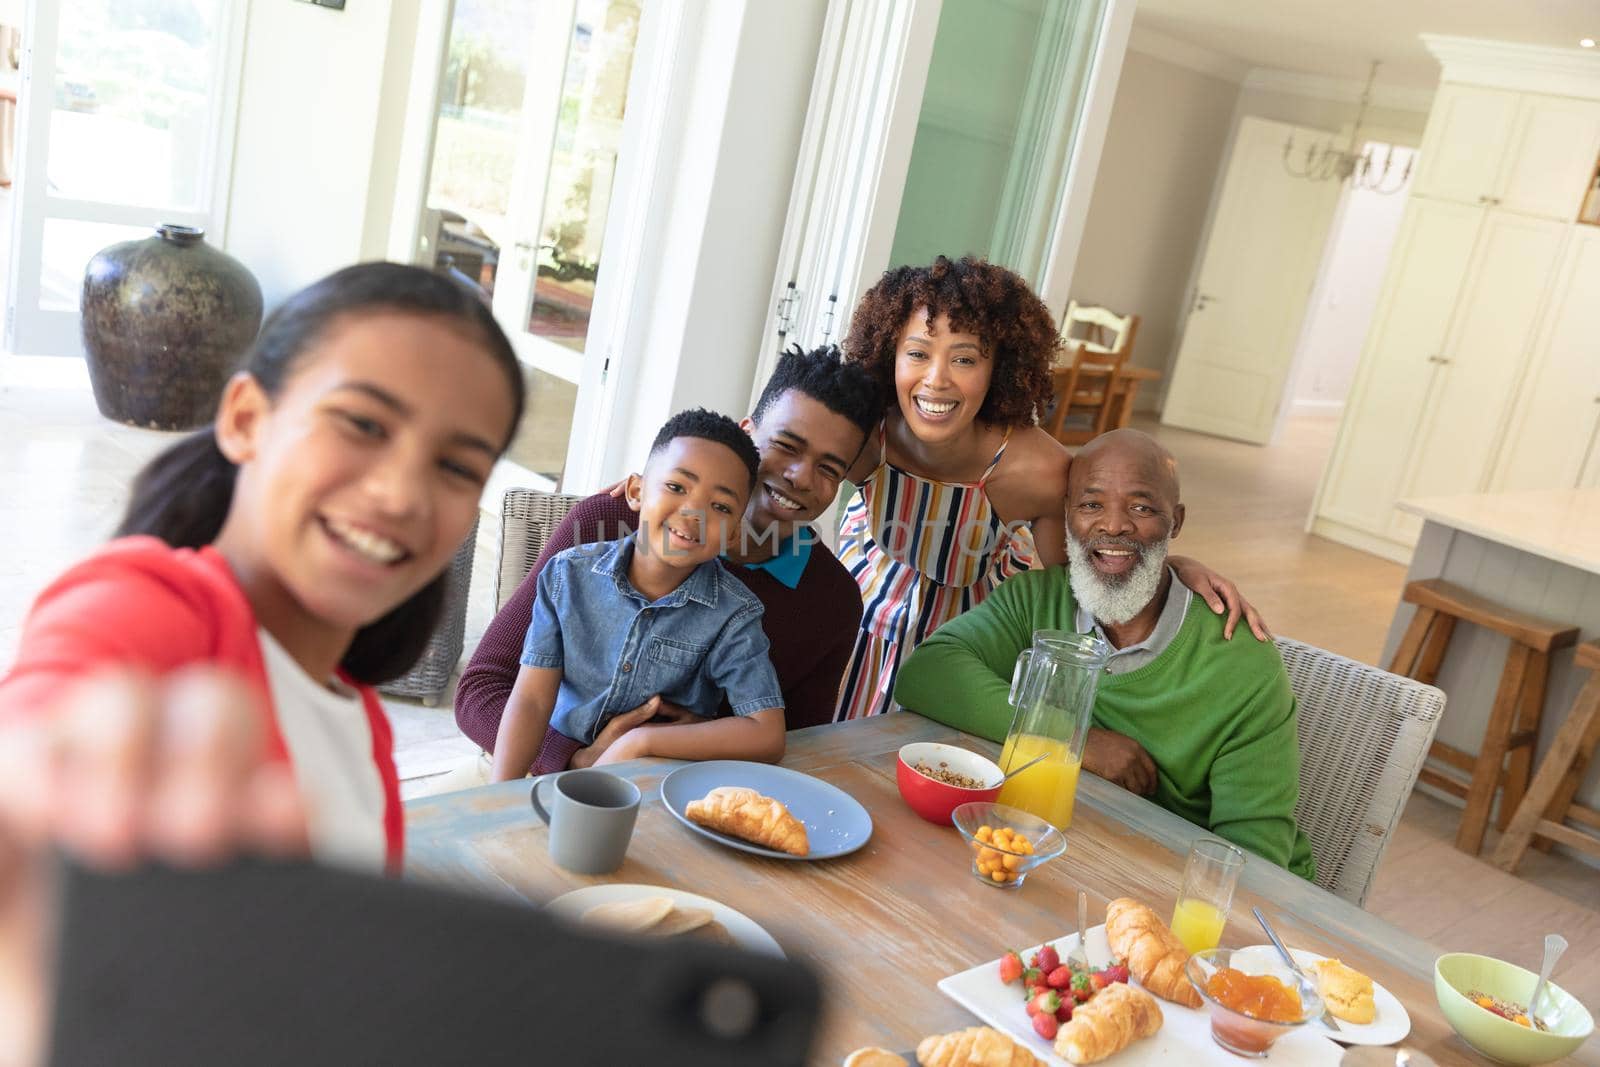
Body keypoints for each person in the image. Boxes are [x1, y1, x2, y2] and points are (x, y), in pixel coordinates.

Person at [0, 263, 526, 1063]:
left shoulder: (362, 730)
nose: (401, 492)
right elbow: (47, 721)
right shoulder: (148, 606)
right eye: (362, 423)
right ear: (246, 416)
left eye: (457, 467)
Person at [835, 255, 1265, 720]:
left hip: (966, 642)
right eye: (917, 353)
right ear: (888, 354)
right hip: (857, 618)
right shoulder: (863, 432)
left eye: (964, 359)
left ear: (999, 367)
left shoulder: (1037, 469)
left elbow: (1083, 578)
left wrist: (1176, 565)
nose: (937, 379)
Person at [893, 429, 1315, 878]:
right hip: (1065, 853)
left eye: (1142, 507)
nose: (1113, 525)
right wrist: (1076, 741)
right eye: (1091, 505)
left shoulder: (1241, 662)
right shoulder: (1038, 600)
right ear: (1067, 515)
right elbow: (927, 673)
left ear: (1176, 522)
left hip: (1177, 879)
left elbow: (1254, 862)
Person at [457, 345, 878, 777]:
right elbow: (482, 691)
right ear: (747, 432)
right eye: (787, 446)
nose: (801, 477)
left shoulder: (832, 600)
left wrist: (687, 740)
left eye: (829, 469)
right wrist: (576, 760)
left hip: (685, 794)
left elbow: (795, 744)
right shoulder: (607, 522)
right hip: (529, 773)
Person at [490, 409, 788, 781]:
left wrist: (643, 742)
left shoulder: (734, 614)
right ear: (635, 491)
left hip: (651, 785)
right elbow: (532, 701)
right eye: (677, 487)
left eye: (721, 507)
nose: (694, 513)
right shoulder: (568, 575)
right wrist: (504, 794)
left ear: (732, 533)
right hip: (548, 773)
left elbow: (767, 733)